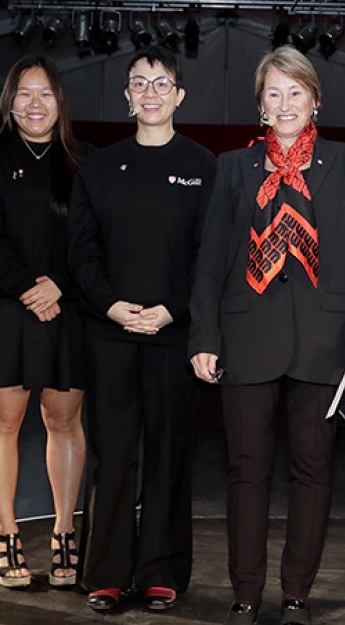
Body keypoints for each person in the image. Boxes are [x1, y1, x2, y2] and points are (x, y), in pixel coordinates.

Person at [189, 46, 345, 625]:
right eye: (273, 94)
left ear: (315, 100)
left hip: (326, 344)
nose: (285, 104)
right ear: (260, 105)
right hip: (245, 339)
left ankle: (297, 594)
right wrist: (204, 336)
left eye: (295, 92)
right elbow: (209, 262)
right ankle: (245, 595)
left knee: (312, 470)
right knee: (246, 472)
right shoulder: (233, 168)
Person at [69, 45, 216, 613]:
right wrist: (111, 305)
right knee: (111, 454)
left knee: (168, 454)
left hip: (173, 336)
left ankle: (161, 571)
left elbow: (211, 256)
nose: (150, 93)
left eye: (161, 84)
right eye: (139, 83)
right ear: (126, 95)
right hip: (109, 335)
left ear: (178, 95)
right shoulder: (99, 168)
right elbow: (82, 253)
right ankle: (104, 572)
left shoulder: (205, 165)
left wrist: (172, 310)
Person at [0, 55, 92, 589]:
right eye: (24, 94)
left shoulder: (83, 162)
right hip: (7, 306)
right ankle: (6, 532)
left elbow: (91, 240)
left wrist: (58, 283)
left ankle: (64, 531)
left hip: (68, 306)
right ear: (8, 100)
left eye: (46, 94)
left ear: (60, 102)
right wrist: (28, 289)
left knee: (64, 421)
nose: (35, 104)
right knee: (5, 422)